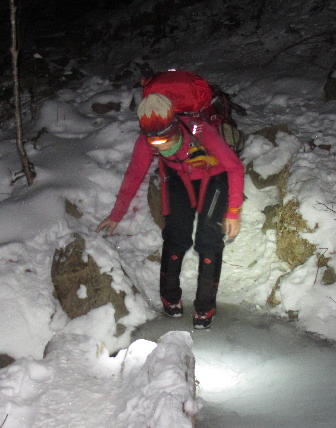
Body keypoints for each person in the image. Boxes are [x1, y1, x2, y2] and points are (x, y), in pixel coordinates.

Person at [97, 93, 244, 329]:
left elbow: (234, 167)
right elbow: (134, 175)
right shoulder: (146, 140)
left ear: (174, 128)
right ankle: (170, 296)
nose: (161, 147)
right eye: (154, 143)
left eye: (164, 140)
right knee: (176, 236)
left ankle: (205, 306)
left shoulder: (200, 130)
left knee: (208, 241)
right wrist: (117, 214)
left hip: (213, 175)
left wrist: (233, 210)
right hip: (179, 176)